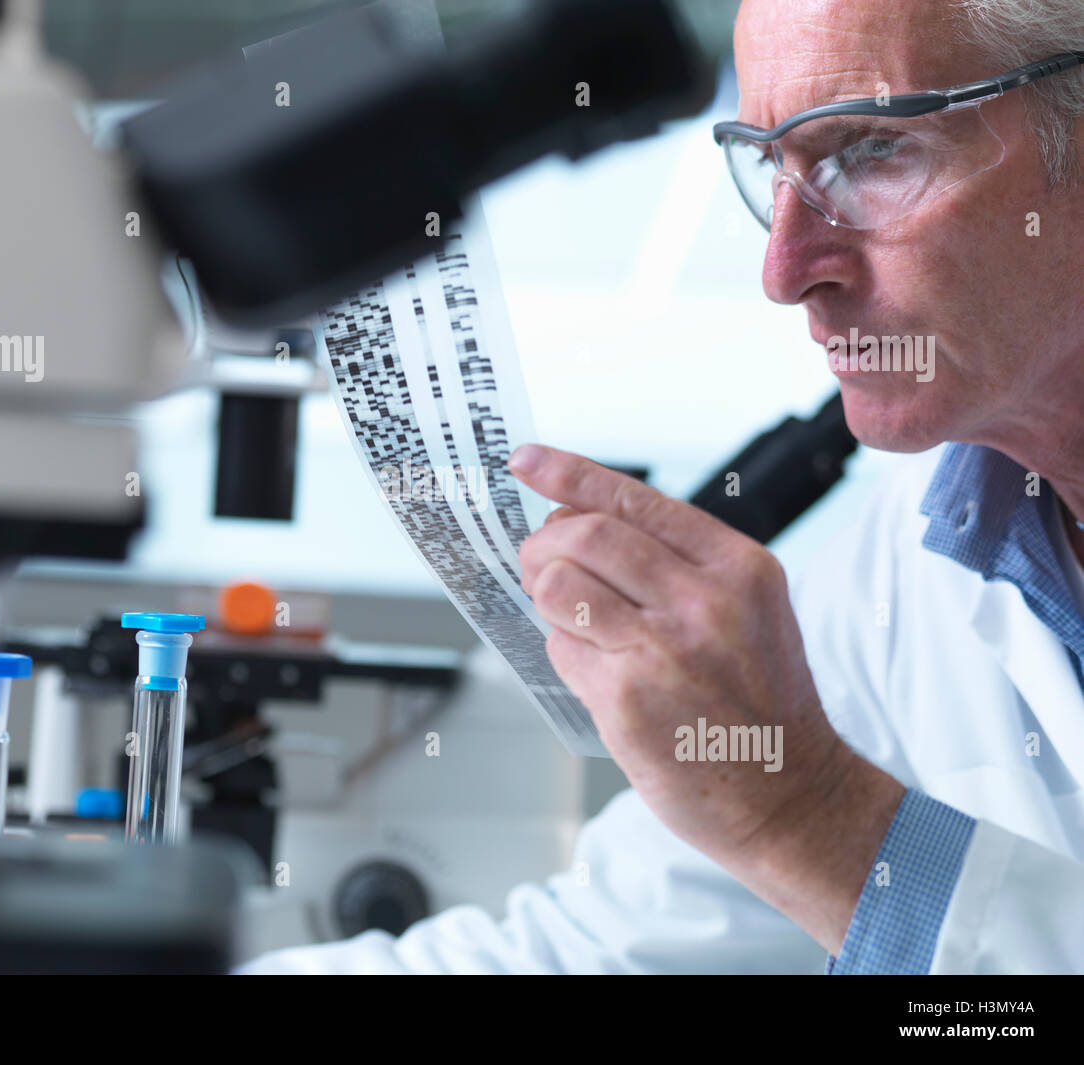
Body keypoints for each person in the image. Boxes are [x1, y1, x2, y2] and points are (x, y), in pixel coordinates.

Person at [239, 0, 1084, 974]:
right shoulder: (930, 539)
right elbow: (592, 952)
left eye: (872, 151)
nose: (785, 270)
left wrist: (803, 815)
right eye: (770, 165)